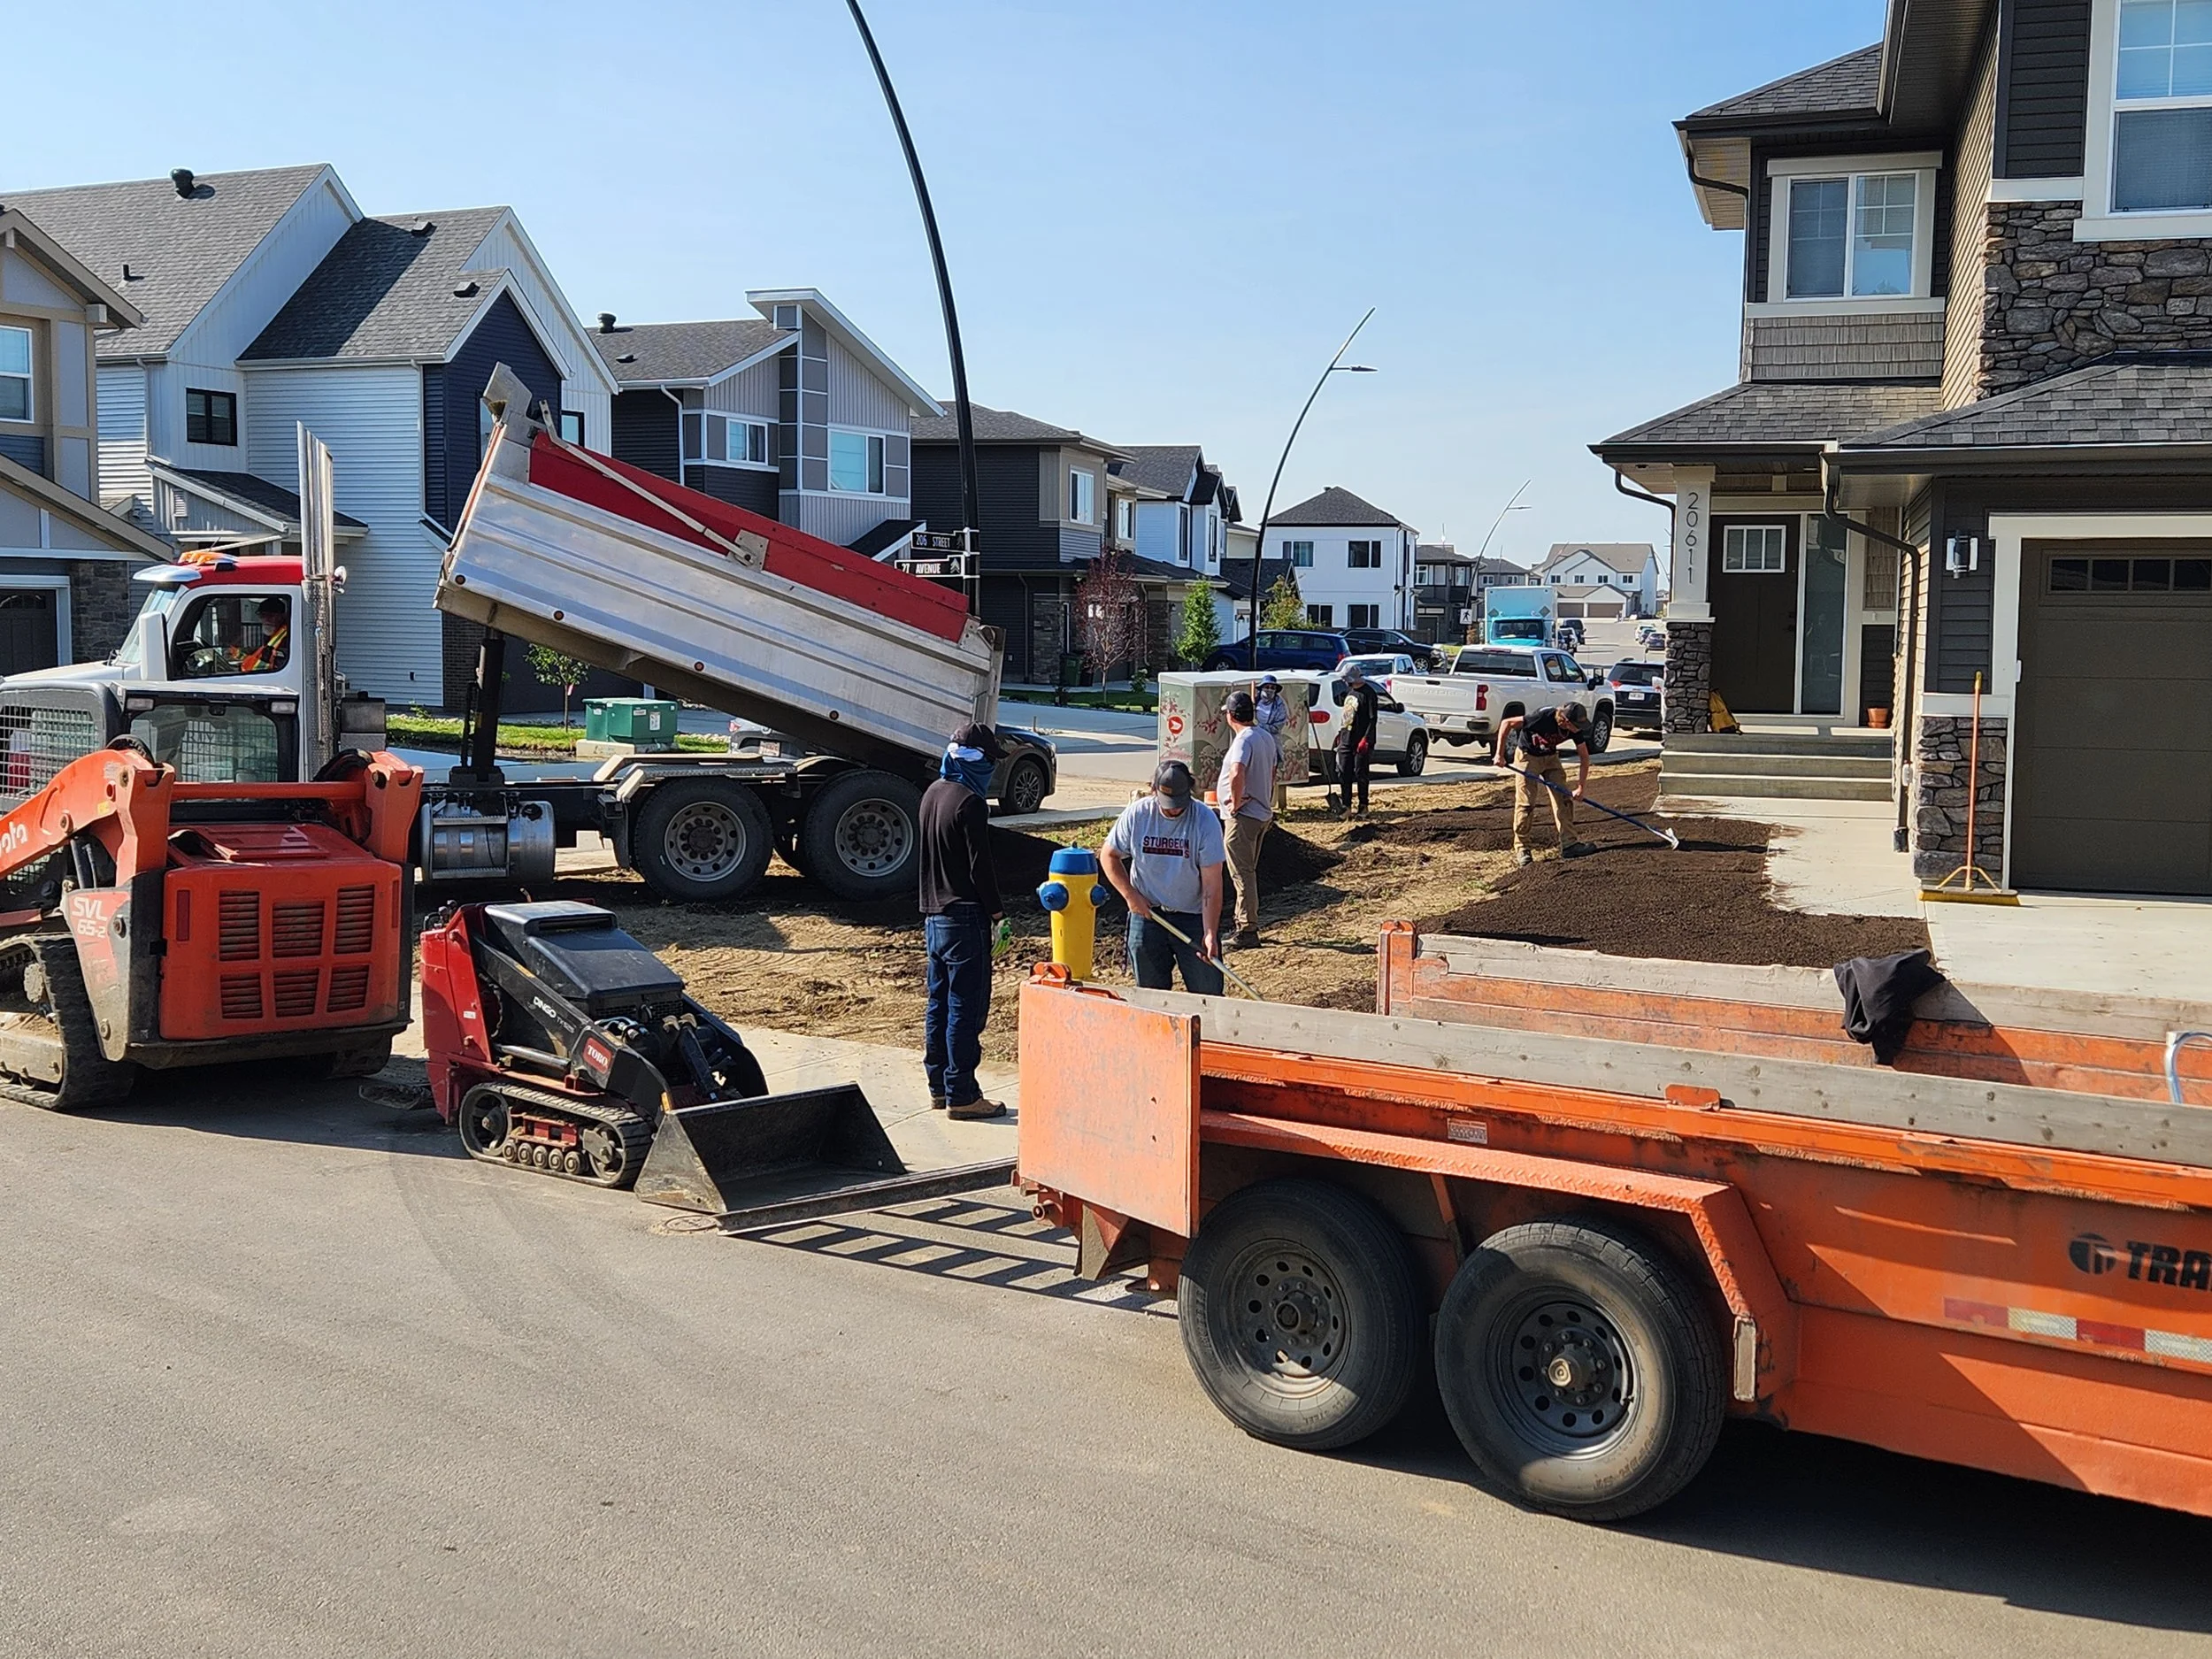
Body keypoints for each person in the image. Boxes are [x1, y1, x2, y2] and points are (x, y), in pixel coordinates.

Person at [918, 721, 1009, 1119]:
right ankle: (963, 1094)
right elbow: (980, 870)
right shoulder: (969, 803)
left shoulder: (932, 794)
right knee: (965, 1009)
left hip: (933, 917)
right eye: (990, 761)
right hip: (966, 917)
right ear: (979, 761)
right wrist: (998, 915)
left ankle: (938, 1086)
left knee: (938, 1004)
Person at [1101, 759, 1226, 995]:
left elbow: (1212, 885)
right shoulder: (1138, 814)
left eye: (1179, 804)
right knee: (1151, 996)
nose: (1174, 810)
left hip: (1193, 918)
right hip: (1148, 916)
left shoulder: (1205, 820)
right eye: (1168, 804)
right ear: (1154, 791)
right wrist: (1131, 896)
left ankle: (1210, 1031)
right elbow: (1109, 856)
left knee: (1208, 993)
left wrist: (1210, 933)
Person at [1494, 699, 1598, 866]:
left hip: (1550, 758)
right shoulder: (1542, 717)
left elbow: (1584, 757)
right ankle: (1522, 848)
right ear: (1565, 721)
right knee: (1526, 803)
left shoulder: (1575, 728)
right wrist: (1500, 754)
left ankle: (1570, 844)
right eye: (1576, 725)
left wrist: (1580, 787)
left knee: (1564, 799)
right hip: (1527, 756)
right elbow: (1507, 722)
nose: (1579, 729)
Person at [1217, 690, 1279, 949]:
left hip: (1243, 817)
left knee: (1242, 874)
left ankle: (1247, 929)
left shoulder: (1244, 740)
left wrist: (1236, 800)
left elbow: (1236, 772)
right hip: (1261, 813)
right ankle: (1245, 923)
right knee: (1247, 872)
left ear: (1231, 716)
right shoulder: (1265, 737)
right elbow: (1274, 772)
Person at [1331, 662, 1379, 816]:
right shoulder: (1350, 692)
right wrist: (1340, 733)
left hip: (1361, 741)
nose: (1346, 681)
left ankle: (1363, 805)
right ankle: (1346, 806)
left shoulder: (1369, 694)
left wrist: (1366, 739)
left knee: (1361, 773)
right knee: (1344, 773)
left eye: (1347, 679)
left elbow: (1372, 719)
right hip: (1346, 739)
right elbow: (1346, 716)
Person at [1253, 675, 1292, 812]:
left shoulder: (1279, 705)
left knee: (1270, 773)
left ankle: (1267, 804)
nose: (1269, 690)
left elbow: (1278, 726)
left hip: (1271, 741)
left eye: (1272, 688)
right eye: (1267, 687)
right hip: (1254, 739)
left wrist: (1261, 727)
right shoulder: (1254, 701)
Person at [240, 596, 290, 673]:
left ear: (282, 617)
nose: (266, 619)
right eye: (262, 615)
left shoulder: (288, 638)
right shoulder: (270, 636)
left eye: (271, 615)